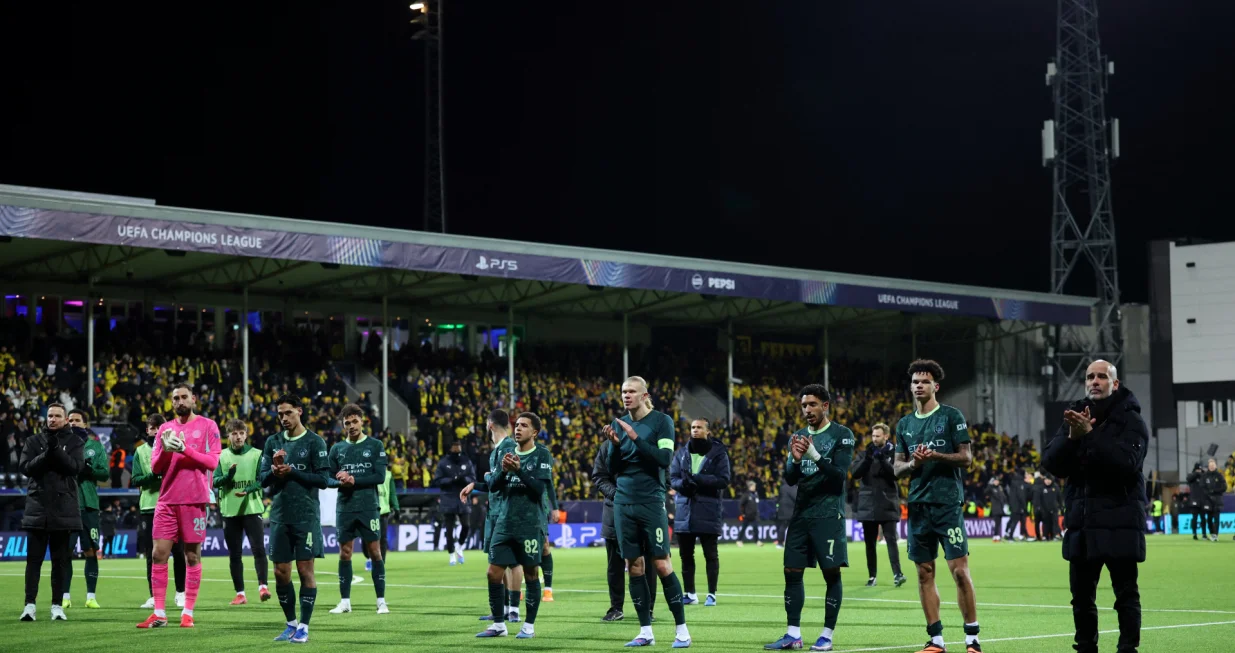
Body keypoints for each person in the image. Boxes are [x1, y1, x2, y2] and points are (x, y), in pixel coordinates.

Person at [1042, 359, 1148, 653]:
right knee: (1081, 597)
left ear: (1115, 384)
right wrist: (1073, 438)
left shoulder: (1132, 421)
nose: (1094, 381)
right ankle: (1085, 646)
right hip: (1083, 523)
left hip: (1120, 521)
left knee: (1125, 594)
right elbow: (1051, 463)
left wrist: (1089, 436)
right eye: (1090, 376)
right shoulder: (1075, 418)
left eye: (1102, 376)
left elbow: (1126, 464)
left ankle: (1128, 649)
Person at [892, 359, 982, 653]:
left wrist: (936, 456)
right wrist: (914, 463)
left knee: (959, 571)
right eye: (915, 382)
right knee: (924, 573)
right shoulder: (903, 425)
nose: (919, 386)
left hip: (947, 504)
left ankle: (972, 640)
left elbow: (966, 458)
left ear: (935, 386)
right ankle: (936, 640)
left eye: (924, 382)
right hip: (918, 505)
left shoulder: (951, 416)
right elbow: (897, 469)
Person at [764, 384, 854, 652]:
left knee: (831, 573)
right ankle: (793, 634)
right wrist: (794, 458)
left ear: (825, 405)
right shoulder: (798, 436)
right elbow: (791, 479)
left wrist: (814, 455)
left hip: (828, 513)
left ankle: (826, 634)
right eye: (804, 405)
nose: (807, 410)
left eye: (812, 404)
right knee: (791, 570)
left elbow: (839, 476)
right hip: (801, 513)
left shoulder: (842, 434)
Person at [605, 376, 690, 648]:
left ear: (644, 395)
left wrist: (634, 438)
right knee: (634, 566)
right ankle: (645, 631)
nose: (626, 396)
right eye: (623, 392)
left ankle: (682, 631)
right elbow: (612, 468)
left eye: (632, 391)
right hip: (623, 502)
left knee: (662, 564)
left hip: (651, 501)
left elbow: (664, 459)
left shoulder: (662, 421)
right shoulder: (619, 423)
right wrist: (616, 446)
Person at [137, 383, 222, 630]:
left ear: (193, 399)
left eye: (184, 397)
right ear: (171, 402)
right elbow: (156, 468)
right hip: (166, 500)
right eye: (176, 398)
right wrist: (165, 449)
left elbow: (212, 462)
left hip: (195, 499)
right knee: (157, 554)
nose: (180, 401)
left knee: (192, 556)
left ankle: (187, 612)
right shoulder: (165, 429)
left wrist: (185, 449)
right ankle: (160, 613)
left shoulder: (208, 426)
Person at [475, 412, 553, 639]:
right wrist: (503, 472)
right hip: (505, 522)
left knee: (531, 573)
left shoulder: (541, 455)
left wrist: (518, 470)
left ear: (534, 432)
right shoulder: (506, 454)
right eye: (517, 425)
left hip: (529, 524)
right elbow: (496, 486)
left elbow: (540, 489)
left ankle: (528, 626)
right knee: (493, 572)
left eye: (524, 426)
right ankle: (499, 625)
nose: (518, 429)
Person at [260, 393, 330, 643]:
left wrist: (292, 472)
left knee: (304, 569)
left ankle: (304, 626)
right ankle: (290, 623)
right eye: (280, 414)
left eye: (288, 412)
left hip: (306, 515)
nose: (283, 418)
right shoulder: (273, 442)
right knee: (280, 572)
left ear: (299, 411)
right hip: (279, 514)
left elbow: (323, 479)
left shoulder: (315, 442)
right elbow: (261, 479)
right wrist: (275, 472)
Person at [19, 403, 84, 622]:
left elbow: (75, 468)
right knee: (33, 561)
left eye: (57, 416)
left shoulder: (75, 442)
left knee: (60, 562)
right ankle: (29, 606)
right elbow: (26, 467)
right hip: (37, 508)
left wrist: (54, 451)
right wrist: (47, 453)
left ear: (66, 420)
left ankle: (57, 606)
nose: (52, 419)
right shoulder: (33, 441)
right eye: (49, 416)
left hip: (64, 510)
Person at [460, 409, 524, 623]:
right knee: (499, 561)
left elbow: (504, 480)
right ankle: (503, 608)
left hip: (507, 511)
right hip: (495, 510)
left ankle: (514, 609)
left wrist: (488, 478)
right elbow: (494, 482)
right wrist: (475, 485)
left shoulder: (508, 447)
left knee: (513, 561)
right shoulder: (496, 451)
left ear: (489, 424)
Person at [326, 403, 390, 615]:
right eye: (347, 423)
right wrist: (339, 480)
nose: (351, 426)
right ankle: (345, 601)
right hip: (345, 507)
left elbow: (379, 477)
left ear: (362, 421)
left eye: (355, 421)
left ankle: (381, 601)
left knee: (375, 552)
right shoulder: (337, 449)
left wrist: (354, 479)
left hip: (368, 507)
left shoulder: (375, 445)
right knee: (345, 553)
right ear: (342, 426)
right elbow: (327, 478)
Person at [669, 418, 730, 607]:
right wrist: (684, 484)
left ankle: (711, 594)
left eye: (699, 428)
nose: (695, 430)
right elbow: (672, 478)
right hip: (684, 511)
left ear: (707, 431)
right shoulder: (681, 453)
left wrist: (698, 479)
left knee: (710, 555)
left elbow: (723, 479)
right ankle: (690, 593)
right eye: (693, 427)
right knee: (686, 556)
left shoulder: (719, 453)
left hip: (708, 510)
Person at [132, 415, 187, 610]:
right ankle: (154, 596)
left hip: (173, 505)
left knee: (178, 551)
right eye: (152, 428)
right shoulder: (140, 451)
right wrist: (154, 476)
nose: (155, 431)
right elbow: (136, 479)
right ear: (147, 430)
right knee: (151, 554)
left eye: (159, 428)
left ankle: (180, 593)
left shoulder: (175, 448)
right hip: (149, 507)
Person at [214, 418, 271, 605]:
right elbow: (214, 481)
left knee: (259, 550)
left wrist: (247, 490)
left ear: (246, 435)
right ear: (228, 436)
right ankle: (240, 594)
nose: (238, 437)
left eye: (241, 433)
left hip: (252, 508)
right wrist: (228, 476)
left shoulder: (256, 454)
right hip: (230, 511)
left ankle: (263, 587)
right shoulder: (221, 456)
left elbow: (261, 480)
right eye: (234, 434)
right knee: (235, 554)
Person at [851, 423, 905, 586]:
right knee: (870, 543)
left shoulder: (894, 453)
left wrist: (883, 460)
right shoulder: (864, 453)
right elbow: (855, 474)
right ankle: (872, 576)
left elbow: (896, 474)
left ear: (886, 437)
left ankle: (897, 574)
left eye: (878, 436)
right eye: (873, 436)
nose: (874, 439)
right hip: (868, 504)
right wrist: (867, 459)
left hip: (887, 502)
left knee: (891, 540)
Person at [64, 409, 108, 609]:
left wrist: (89, 469)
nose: (73, 423)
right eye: (70, 420)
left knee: (91, 550)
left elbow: (104, 473)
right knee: (65, 552)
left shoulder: (95, 446)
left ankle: (91, 596)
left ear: (85, 423)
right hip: (66, 505)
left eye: (77, 420)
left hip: (89, 505)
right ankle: (64, 596)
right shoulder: (61, 445)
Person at [591, 425, 632, 622]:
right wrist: (618, 496)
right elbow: (599, 477)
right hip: (614, 511)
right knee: (614, 564)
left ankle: (647, 608)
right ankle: (616, 607)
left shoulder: (643, 445)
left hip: (640, 509)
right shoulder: (606, 448)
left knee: (645, 562)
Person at [434, 439, 475, 565]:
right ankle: (451, 554)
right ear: (450, 447)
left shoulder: (466, 461)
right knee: (449, 530)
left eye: (458, 445)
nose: (457, 448)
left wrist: (464, 479)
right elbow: (437, 481)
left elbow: (473, 478)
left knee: (466, 525)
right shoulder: (443, 463)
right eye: (454, 446)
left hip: (463, 497)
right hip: (448, 498)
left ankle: (460, 546)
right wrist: (451, 480)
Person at [1199, 459, 1226, 542]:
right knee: (1209, 519)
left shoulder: (1219, 475)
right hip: (1208, 500)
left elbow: (1224, 487)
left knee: (1216, 518)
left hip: (1217, 499)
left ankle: (1215, 535)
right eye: (1210, 466)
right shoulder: (1204, 476)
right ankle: (1212, 533)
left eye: (1213, 465)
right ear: (1208, 466)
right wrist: (1209, 494)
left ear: (1216, 466)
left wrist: (1214, 491)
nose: (1211, 467)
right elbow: (1202, 487)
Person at [1034, 476, 1060, 541]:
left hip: (1054, 509)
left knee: (1054, 523)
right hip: (1044, 510)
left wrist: (1061, 507)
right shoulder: (1041, 488)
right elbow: (1038, 499)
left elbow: (1059, 498)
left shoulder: (1056, 487)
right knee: (1046, 524)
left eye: (1049, 480)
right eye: (1046, 479)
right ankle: (1045, 536)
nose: (1047, 481)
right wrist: (1039, 508)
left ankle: (1054, 536)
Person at [775, 478, 797, 550]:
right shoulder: (792, 487)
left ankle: (780, 542)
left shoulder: (782, 487)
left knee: (783, 526)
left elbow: (778, 499)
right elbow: (796, 497)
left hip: (782, 511)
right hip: (789, 511)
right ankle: (786, 542)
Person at [737, 481, 761, 547]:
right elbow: (741, 504)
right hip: (747, 515)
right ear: (750, 487)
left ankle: (757, 541)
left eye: (755, 486)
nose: (754, 487)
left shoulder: (756, 494)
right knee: (743, 528)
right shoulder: (746, 495)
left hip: (754, 515)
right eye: (753, 486)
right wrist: (743, 513)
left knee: (756, 528)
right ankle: (739, 540)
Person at [985, 479, 1006, 543]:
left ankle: (997, 537)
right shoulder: (991, 488)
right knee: (997, 523)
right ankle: (995, 537)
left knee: (998, 524)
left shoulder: (1000, 488)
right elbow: (986, 491)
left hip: (1001, 508)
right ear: (993, 482)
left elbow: (1004, 497)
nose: (996, 482)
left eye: (997, 481)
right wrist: (989, 484)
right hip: (995, 509)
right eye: (995, 481)